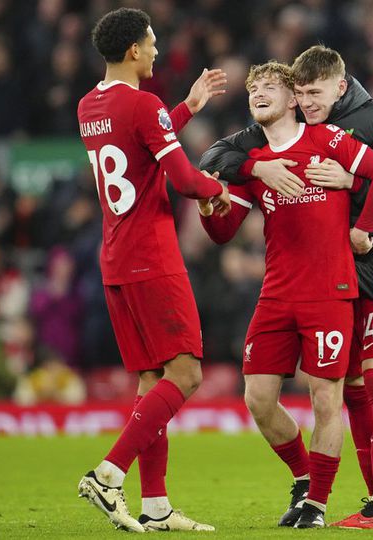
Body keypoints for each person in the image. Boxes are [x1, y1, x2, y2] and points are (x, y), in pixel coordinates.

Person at [200, 45, 373, 528]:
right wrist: (249, 172)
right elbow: (215, 162)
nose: (305, 102)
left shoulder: (367, 124)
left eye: (311, 93)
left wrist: (352, 189)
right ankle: (327, 488)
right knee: (342, 391)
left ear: (340, 87)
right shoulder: (262, 145)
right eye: (298, 93)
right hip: (295, 284)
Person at [75, 8, 231, 533]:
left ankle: (157, 506)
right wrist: (219, 191)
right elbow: (184, 180)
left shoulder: (88, 105)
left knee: (151, 381)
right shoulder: (143, 104)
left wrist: (185, 107)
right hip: (152, 257)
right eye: (153, 42)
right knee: (186, 374)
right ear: (135, 50)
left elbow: (138, 147)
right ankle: (108, 474)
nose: (158, 51)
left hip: (116, 260)